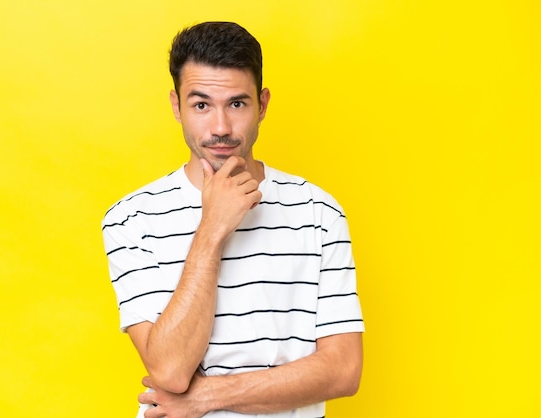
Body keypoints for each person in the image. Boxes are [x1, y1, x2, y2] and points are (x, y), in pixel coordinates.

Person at [102, 21, 364, 418]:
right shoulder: (130, 219)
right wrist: (212, 229)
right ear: (176, 106)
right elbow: (170, 370)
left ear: (262, 104)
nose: (221, 128)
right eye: (201, 104)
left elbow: (343, 370)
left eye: (237, 104)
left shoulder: (318, 212)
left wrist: (206, 397)